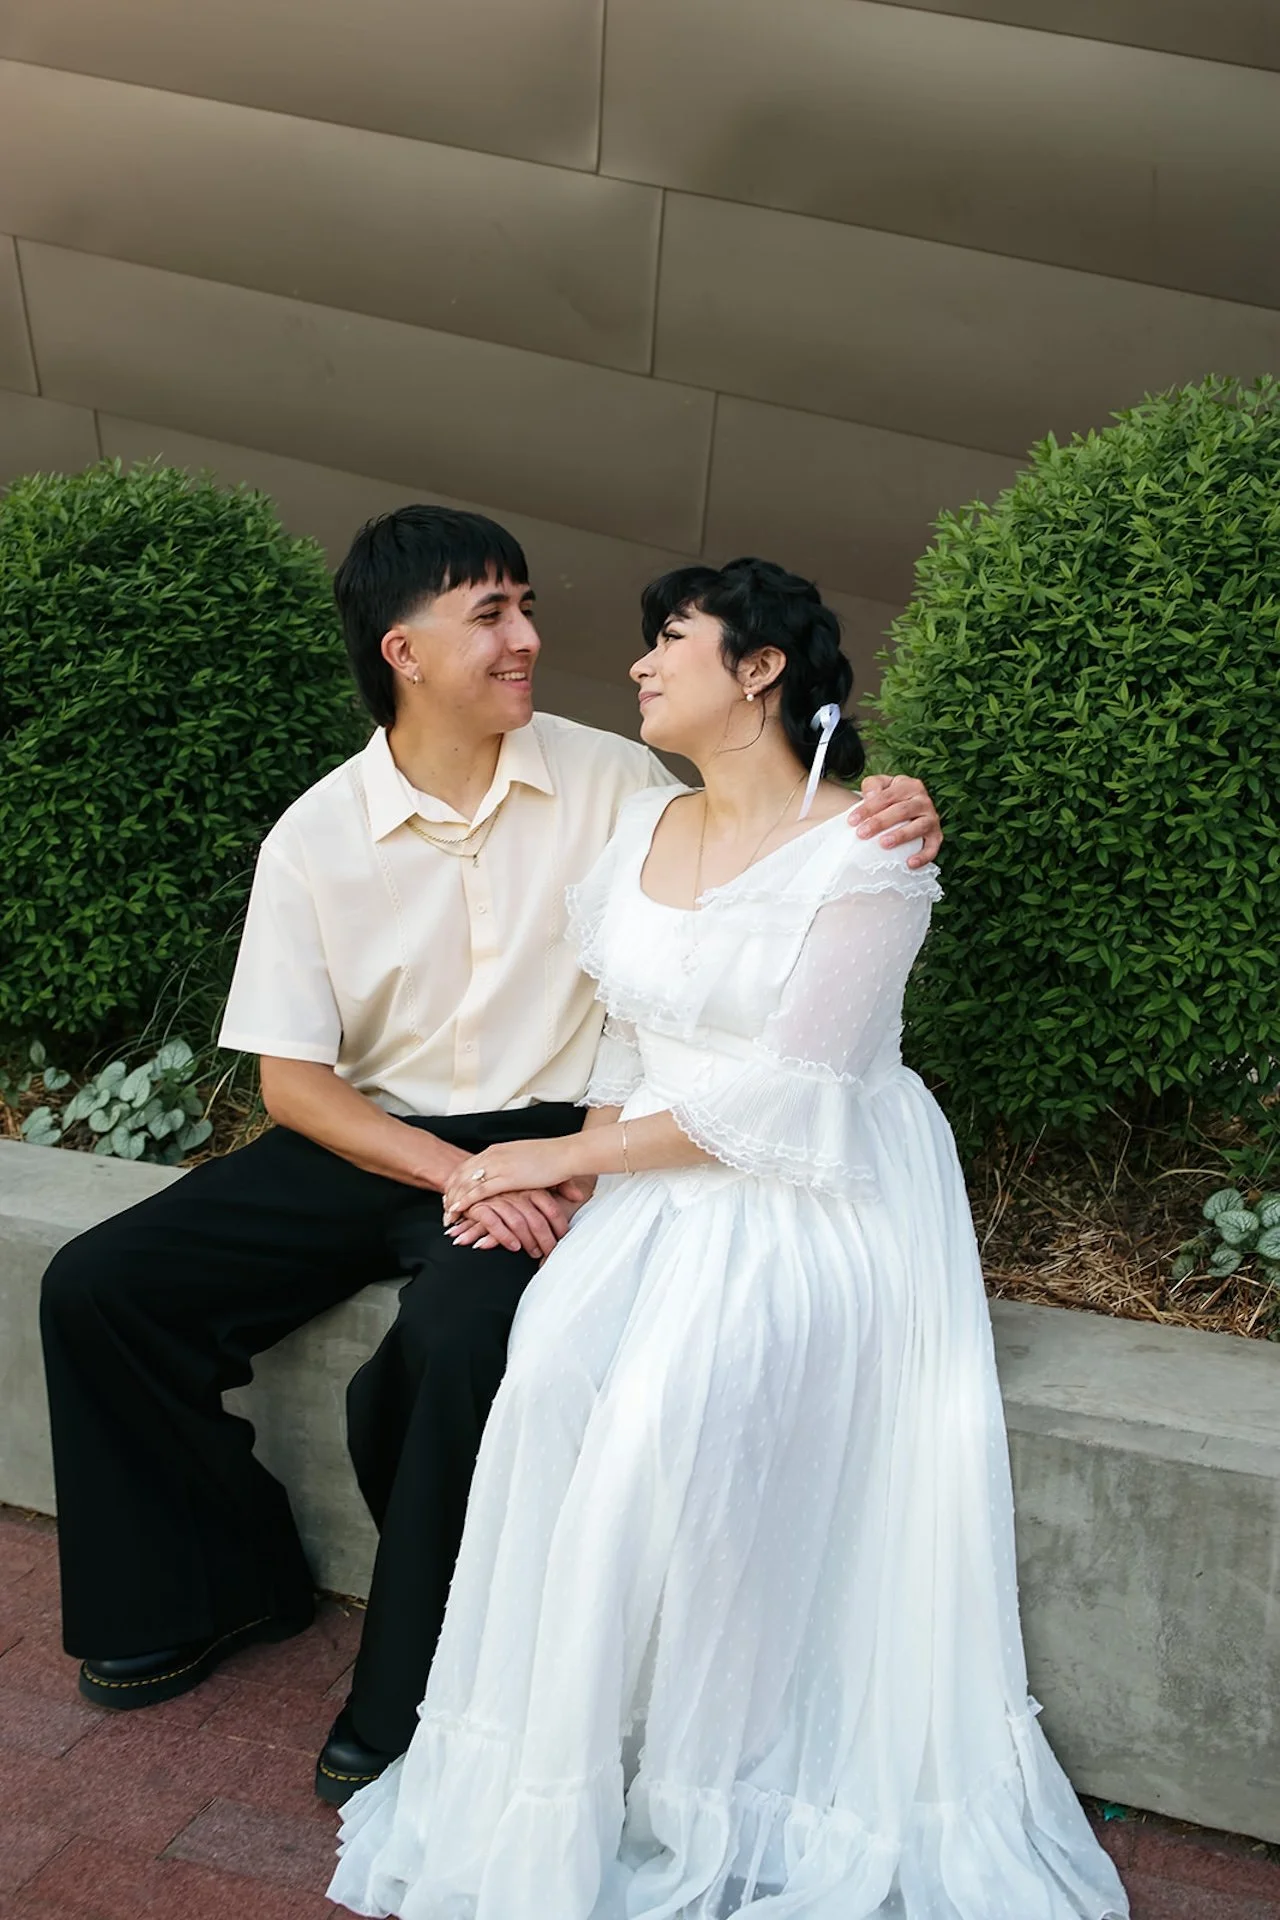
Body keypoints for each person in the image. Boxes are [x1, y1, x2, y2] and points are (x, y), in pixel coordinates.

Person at [38, 509, 941, 1809]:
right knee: (100, 1287)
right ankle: (223, 1583)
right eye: (494, 616)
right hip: (381, 1136)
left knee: (459, 1348)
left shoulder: (618, 780)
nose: (531, 639)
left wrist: (893, 801)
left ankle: (412, 1696)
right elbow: (293, 1081)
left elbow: (775, 831)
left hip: (564, 1130)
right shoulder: (316, 835)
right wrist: (457, 1173)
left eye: (525, 605)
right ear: (405, 650)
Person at [327, 557, 1129, 1920]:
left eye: (670, 641)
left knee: (662, 1415)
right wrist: (588, 1183)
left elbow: (791, 1096)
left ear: (759, 670)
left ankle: (708, 1781)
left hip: (816, 1202)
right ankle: (570, 1768)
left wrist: (561, 1156)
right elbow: (633, 1033)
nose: (637, 665)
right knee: (551, 1375)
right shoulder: (644, 825)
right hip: (656, 1181)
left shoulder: (870, 848)